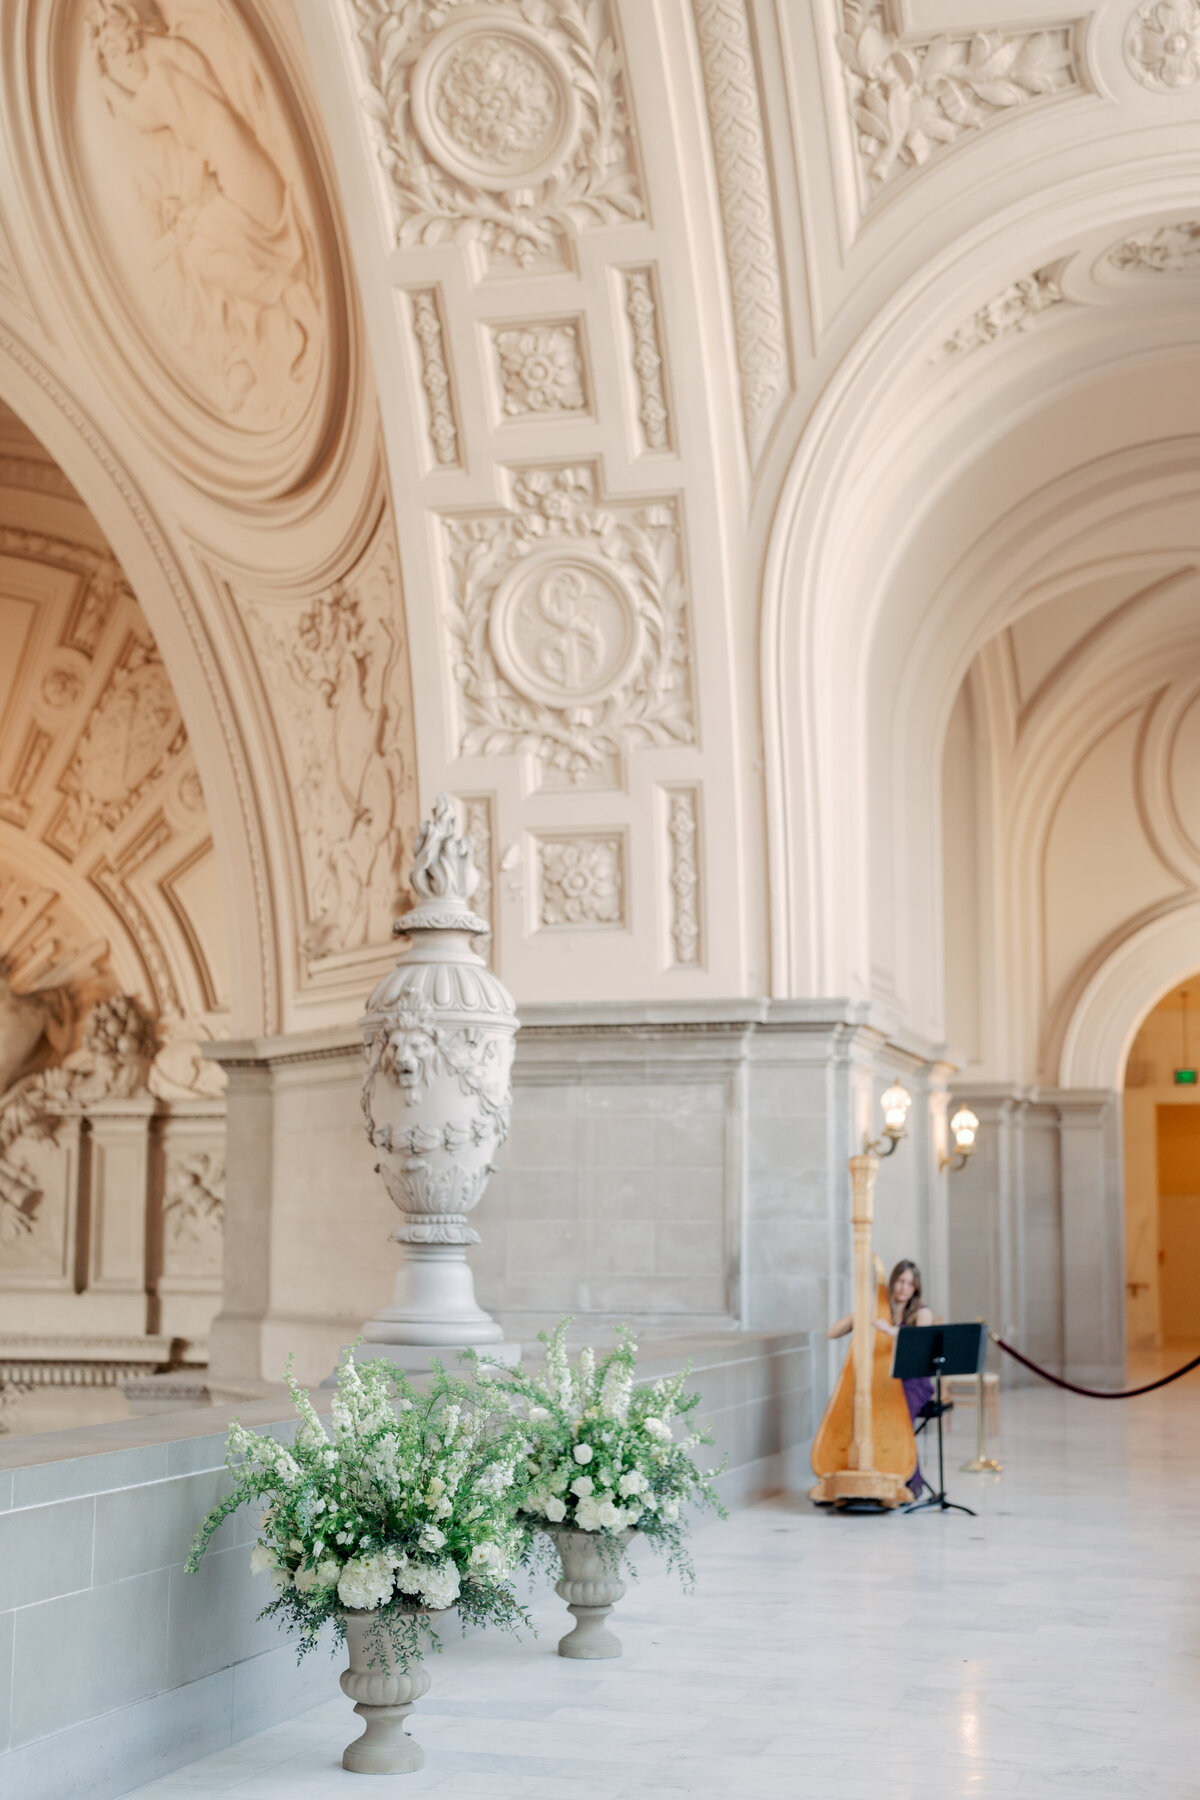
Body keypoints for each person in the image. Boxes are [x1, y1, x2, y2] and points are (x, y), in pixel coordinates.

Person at [828, 1258, 935, 1497]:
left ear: (916, 1288)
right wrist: (860, 1313)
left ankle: (909, 1480)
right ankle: (878, 1475)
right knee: (863, 1413)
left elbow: (918, 1342)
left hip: (912, 1383)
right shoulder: (878, 1310)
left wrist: (890, 1330)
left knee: (896, 1420)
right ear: (892, 1281)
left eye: (910, 1283)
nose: (904, 1288)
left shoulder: (922, 1313)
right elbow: (831, 1333)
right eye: (900, 1280)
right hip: (883, 1382)